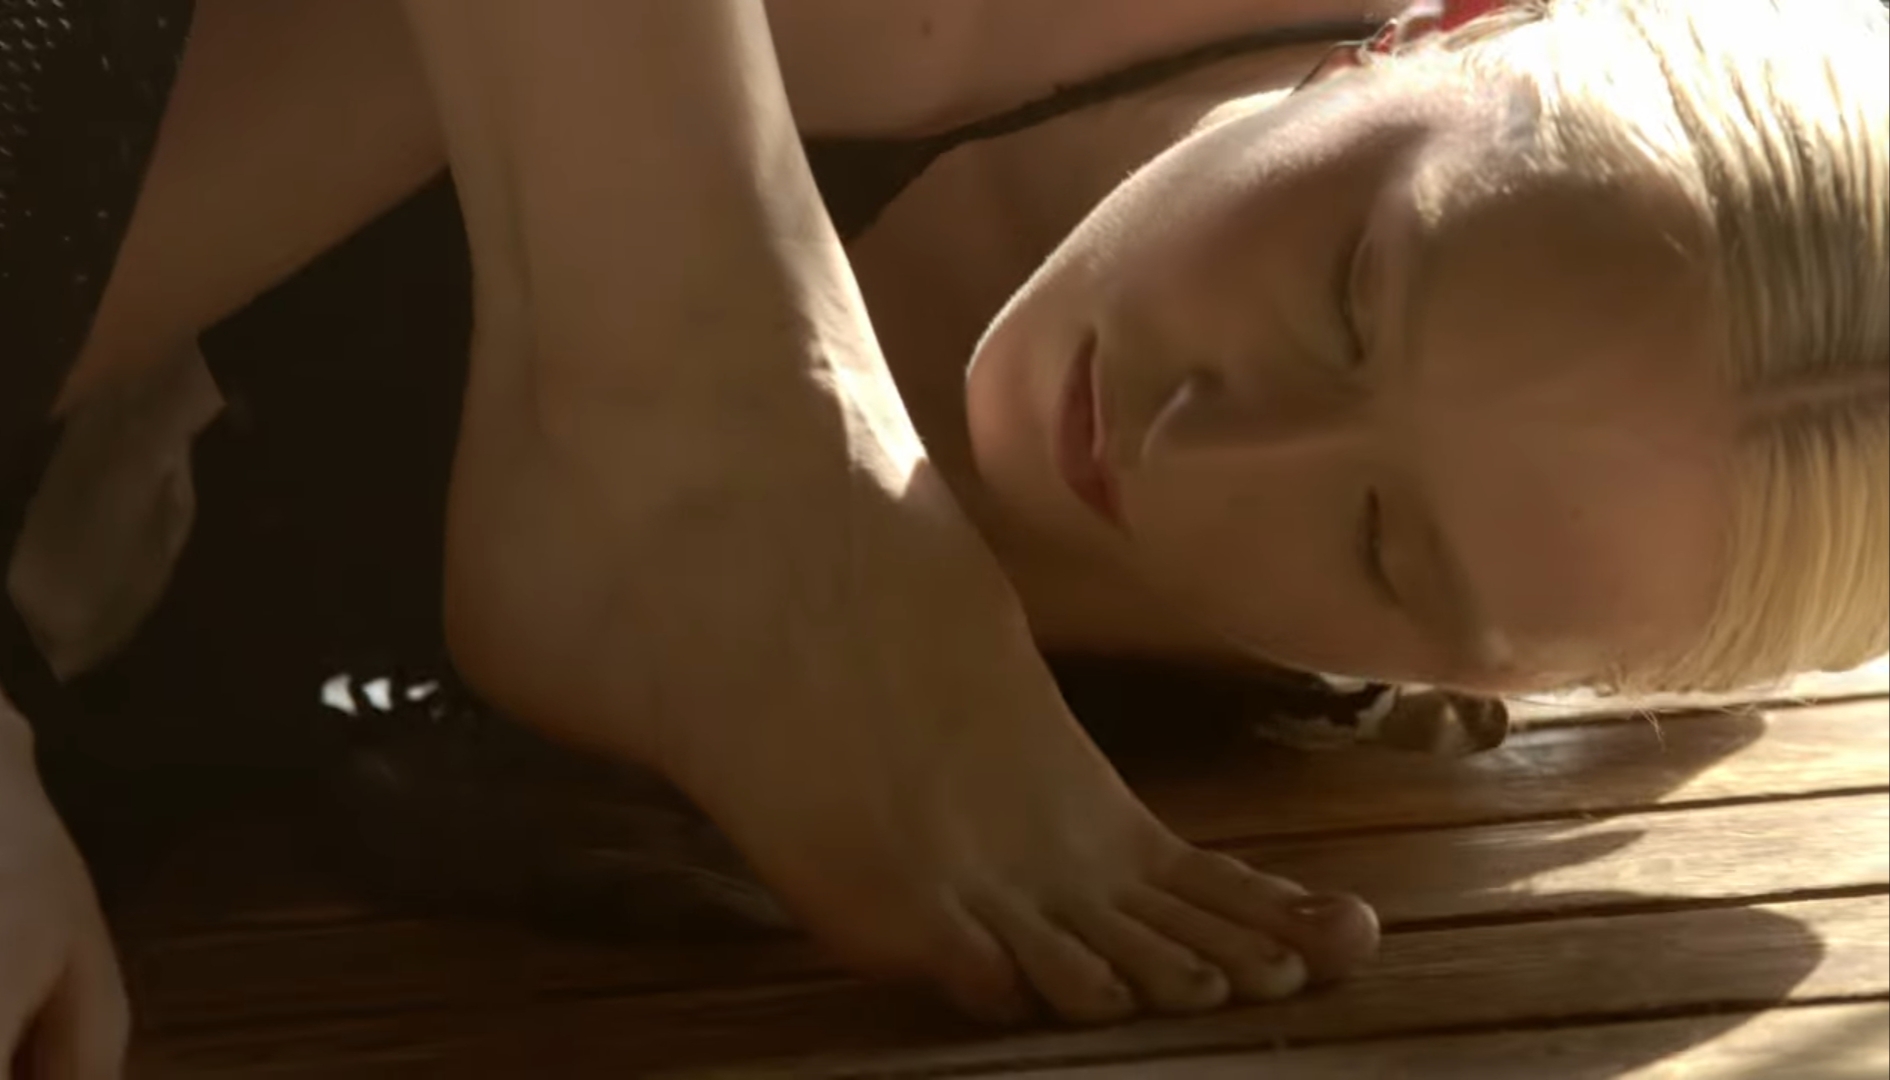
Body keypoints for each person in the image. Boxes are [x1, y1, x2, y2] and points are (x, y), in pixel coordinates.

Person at [3, 0, 1885, 1073]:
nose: (1204, 446)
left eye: (1386, 551)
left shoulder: (1184, 798)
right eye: (1350, 287)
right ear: (1437, 30)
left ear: (1481, 688)